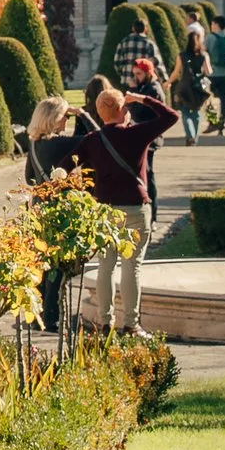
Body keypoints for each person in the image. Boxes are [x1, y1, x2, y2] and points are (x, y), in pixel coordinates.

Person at [66, 74, 176, 333]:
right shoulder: (137, 134)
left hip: (104, 210)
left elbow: (64, 167)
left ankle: (105, 322)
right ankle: (132, 324)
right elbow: (171, 117)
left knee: (106, 266)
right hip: (136, 208)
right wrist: (142, 97)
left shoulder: (91, 141)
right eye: (126, 107)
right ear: (121, 110)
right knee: (132, 266)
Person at [20, 96, 79, 336]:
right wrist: (83, 115)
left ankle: (37, 316)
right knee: (56, 265)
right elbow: (94, 139)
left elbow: (28, 177)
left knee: (41, 264)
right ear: (55, 119)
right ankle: (51, 316)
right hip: (57, 210)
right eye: (66, 116)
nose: (68, 120)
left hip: (37, 208)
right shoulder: (60, 145)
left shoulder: (34, 143)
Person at [173, 24, 208, 146]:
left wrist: (168, 82)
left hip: (184, 86)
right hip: (197, 88)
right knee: (196, 114)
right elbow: (208, 71)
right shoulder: (203, 55)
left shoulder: (182, 56)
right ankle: (195, 137)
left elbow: (176, 72)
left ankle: (190, 136)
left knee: (185, 113)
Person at [207, 9, 225, 134]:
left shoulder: (210, 38)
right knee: (224, 100)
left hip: (212, 73)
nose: (211, 26)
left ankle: (212, 121)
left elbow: (204, 52)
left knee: (208, 98)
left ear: (217, 25)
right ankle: (222, 124)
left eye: (213, 24)